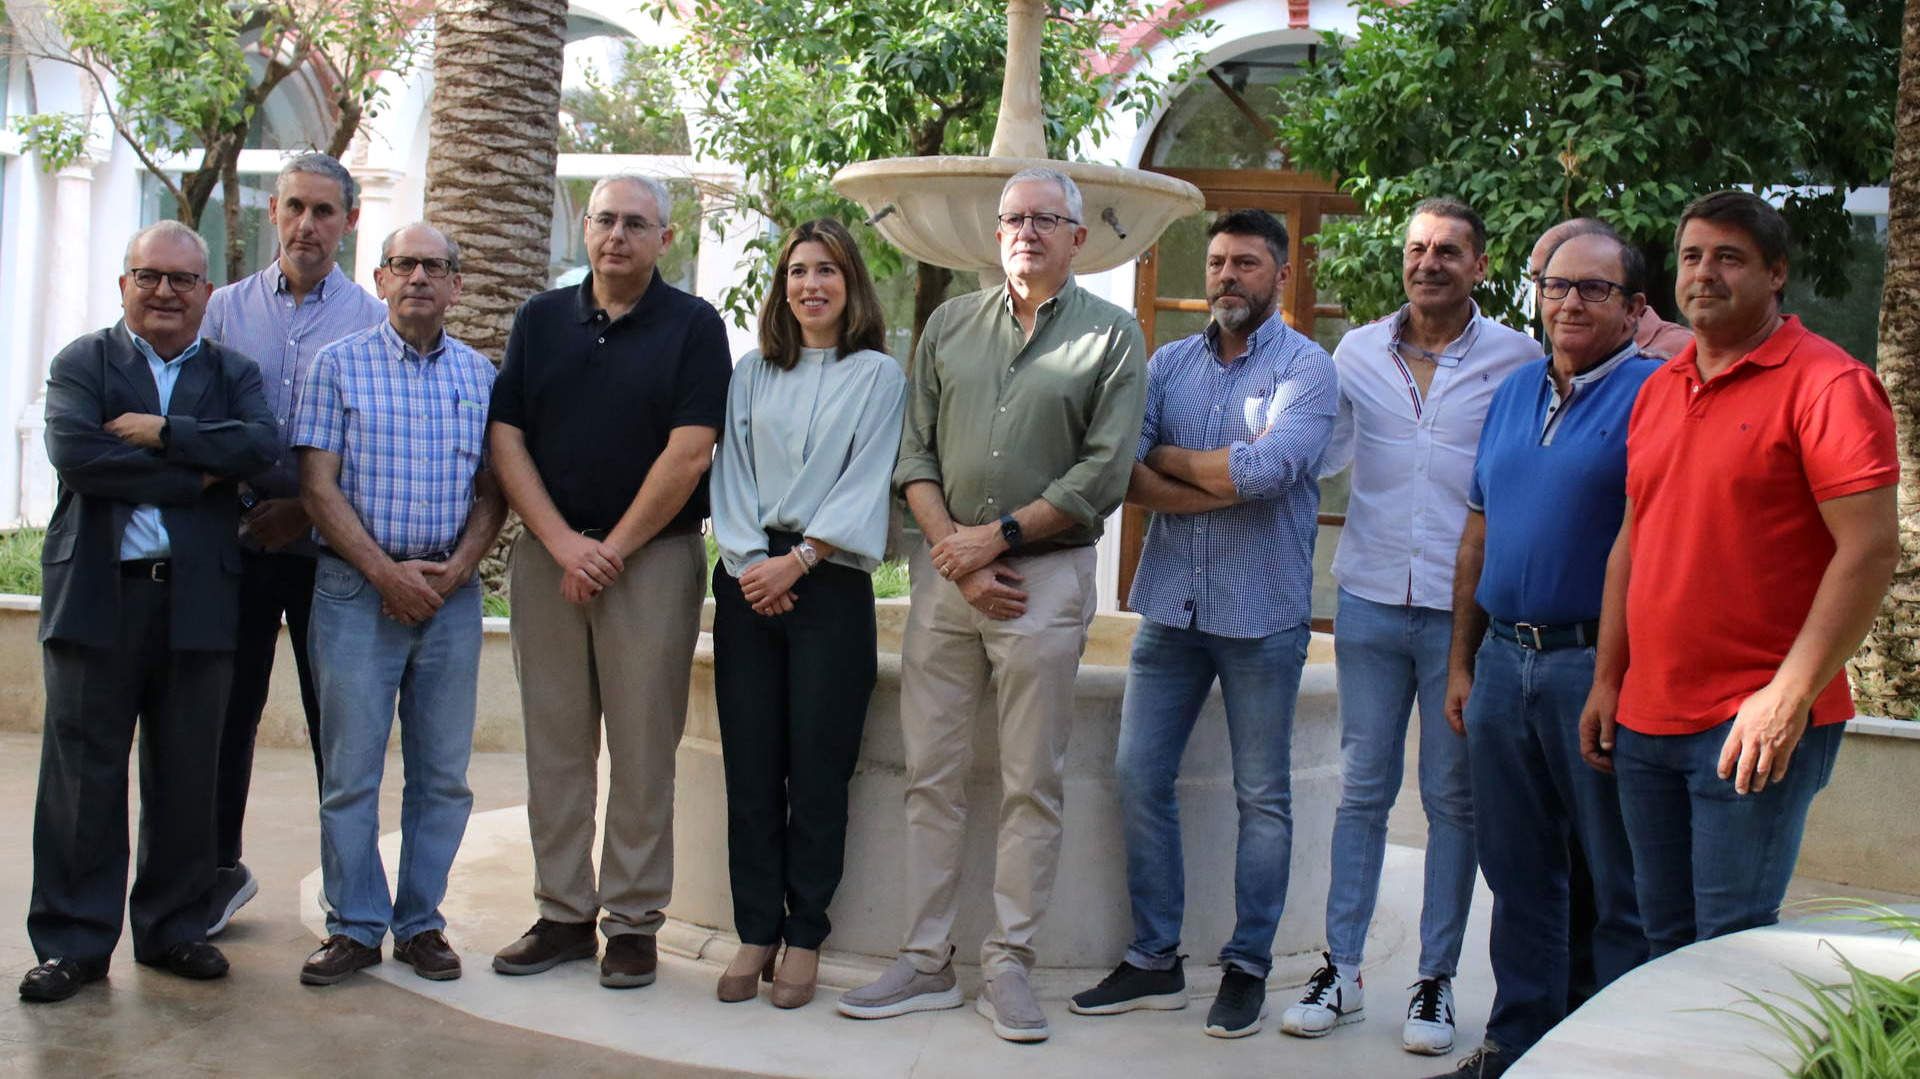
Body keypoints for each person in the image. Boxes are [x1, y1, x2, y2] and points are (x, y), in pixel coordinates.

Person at [836, 167, 1147, 1043]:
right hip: (947, 576)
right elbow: (913, 452)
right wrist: (959, 553)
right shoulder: (948, 325)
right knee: (930, 775)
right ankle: (926, 960)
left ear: (1077, 237)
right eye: (1013, 218)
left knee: (1030, 782)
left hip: (1042, 578)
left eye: (1046, 219)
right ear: (996, 231)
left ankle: (1009, 963)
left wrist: (996, 539)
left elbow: (1103, 471)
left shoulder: (1113, 337)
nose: (1026, 232)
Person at [1580, 191, 1898, 958]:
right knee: (1663, 942)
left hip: (1753, 722)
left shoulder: (1828, 385)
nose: (1705, 274)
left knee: (1726, 950)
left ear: (1776, 272)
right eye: (1692, 256)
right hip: (1648, 717)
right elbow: (1634, 539)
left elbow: (1870, 550)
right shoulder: (1659, 387)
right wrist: (1607, 678)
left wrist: (1785, 697)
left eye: (1730, 257)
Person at [1067, 209, 1336, 1038]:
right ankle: (1154, 957)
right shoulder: (1169, 362)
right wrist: (1210, 480)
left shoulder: (1308, 368)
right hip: (1173, 607)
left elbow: (1268, 470)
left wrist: (1180, 464)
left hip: (1262, 619)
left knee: (1264, 796)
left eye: (1246, 264)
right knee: (1138, 774)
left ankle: (1247, 965)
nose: (1226, 276)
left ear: (1279, 277)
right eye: (1217, 262)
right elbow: (1123, 472)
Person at [1280, 198, 1536, 1057]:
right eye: (1418, 248)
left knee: (1452, 797)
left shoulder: (1517, 358)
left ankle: (1435, 979)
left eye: (1449, 251)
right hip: (1370, 599)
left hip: (1467, 614)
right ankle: (1341, 969)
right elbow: (1321, 453)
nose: (1429, 262)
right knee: (1361, 787)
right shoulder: (1355, 351)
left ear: (1480, 264)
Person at [21, 221, 277, 1003]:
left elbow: (263, 451)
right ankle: (72, 943)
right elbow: (77, 454)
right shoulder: (84, 362)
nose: (165, 291)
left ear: (207, 291)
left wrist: (169, 432)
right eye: (149, 276)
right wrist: (198, 475)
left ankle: (173, 930)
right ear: (124, 284)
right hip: (100, 594)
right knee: (82, 775)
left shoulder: (233, 371)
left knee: (187, 771)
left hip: (199, 599)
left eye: (182, 280)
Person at [488, 175, 732, 990]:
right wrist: (560, 542)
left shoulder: (695, 327)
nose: (617, 235)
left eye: (636, 223)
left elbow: (690, 450)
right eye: (604, 220)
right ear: (584, 229)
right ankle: (562, 913)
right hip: (548, 560)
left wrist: (613, 550)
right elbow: (506, 435)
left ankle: (631, 922)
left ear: (665, 238)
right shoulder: (540, 319)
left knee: (641, 751)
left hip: (651, 563)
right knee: (555, 748)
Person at [1434, 228, 1657, 1079]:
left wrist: (1610, 675)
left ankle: (1605, 1056)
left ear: (1635, 308)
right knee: (1519, 873)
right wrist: (1463, 660)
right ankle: (1517, 1047)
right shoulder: (1515, 390)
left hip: (1591, 668)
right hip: (1502, 665)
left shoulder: (1654, 394)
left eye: (1595, 290)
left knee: (1612, 883)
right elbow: (1477, 534)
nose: (1570, 302)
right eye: (1558, 286)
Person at [292, 224, 506, 985]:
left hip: (449, 599)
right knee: (351, 772)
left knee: (443, 774)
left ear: (456, 285)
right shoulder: (336, 367)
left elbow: (494, 491)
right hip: (356, 592)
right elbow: (317, 486)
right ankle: (353, 924)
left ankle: (420, 923)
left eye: (435, 266)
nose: (418, 276)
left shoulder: (483, 377)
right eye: (403, 264)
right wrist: (386, 573)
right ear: (380, 279)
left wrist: (451, 574)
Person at [709, 218, 907, 1009]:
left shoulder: (879, 376)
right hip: (748, 578)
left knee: (820, 772)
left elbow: (868, 478)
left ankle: (805, 934)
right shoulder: (752, 372)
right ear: (781, 286)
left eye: (826, 271)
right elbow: (730, 471)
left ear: (851, 284)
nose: (811, 285)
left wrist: (801, 559)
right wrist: (755, 561)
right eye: (797, 272)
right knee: (752, 768)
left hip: (829, 583)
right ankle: (755, 927)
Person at [202, 152, 387, 937]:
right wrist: (255, 506)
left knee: (338, 728)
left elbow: (378, 447)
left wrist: (305, 516)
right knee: (221, 718)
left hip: (329, 561)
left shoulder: (373, 321)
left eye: (324, 211)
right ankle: (213, 875)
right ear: (271, 213)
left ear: (348, 222)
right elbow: (202, 421)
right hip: (236, 546)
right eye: (295, 208)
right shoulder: (223, 310)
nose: (308, 225)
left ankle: (351, 900)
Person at [1528, 219, 1690, 361]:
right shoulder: (1532, 378)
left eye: (1591, 287)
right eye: (1554, 285)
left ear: (1632, 307)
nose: (1568, 303)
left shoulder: (1682, 355)